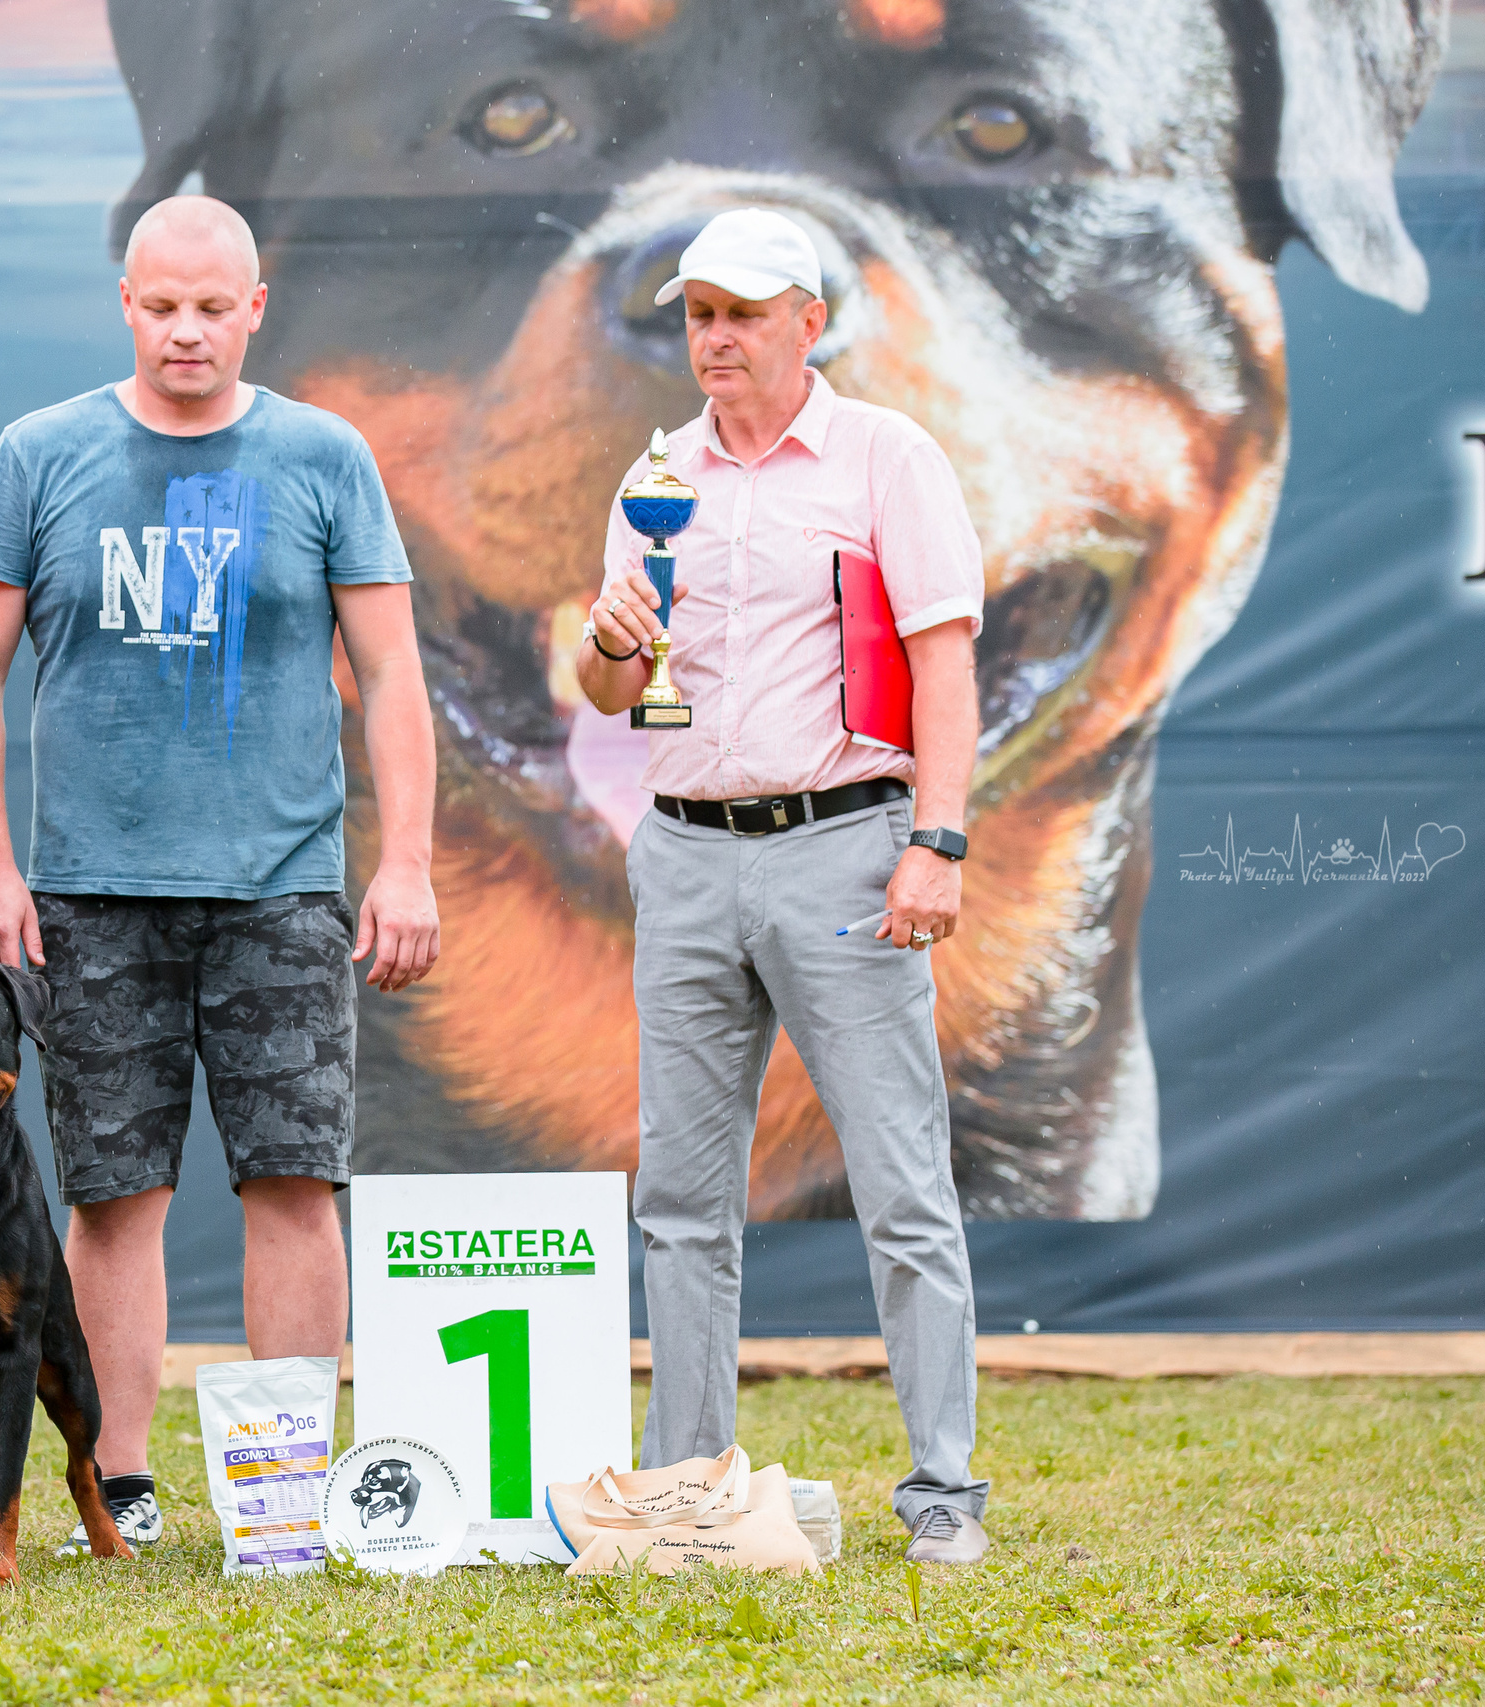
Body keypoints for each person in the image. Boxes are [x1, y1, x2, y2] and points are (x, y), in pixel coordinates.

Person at [0, 195, 441, 1554]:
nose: (187, 330)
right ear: (125, 302)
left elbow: (393, 671)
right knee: (114, 1193)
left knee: (294, 1181)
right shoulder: (38, 457)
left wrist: (404, 864)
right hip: (91, 892)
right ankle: (124, 1479)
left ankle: (287, 1489)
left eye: (213, 307)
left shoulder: (324, 455)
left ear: (256, 307)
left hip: (283, 889)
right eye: (163, 305)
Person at [573, 208, 993, 1564]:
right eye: (698, 313)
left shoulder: (886, 455)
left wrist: (939, 840)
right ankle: (690, 1495)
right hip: (685, 849)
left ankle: (942, 1497)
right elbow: (612, 694)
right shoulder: (656, 475)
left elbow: (943, 662)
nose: (715, 337)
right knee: (683, 1204)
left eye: (744, 313)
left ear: (811, 322)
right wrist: (607, 645)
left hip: (847, 845)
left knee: (901, 1184)